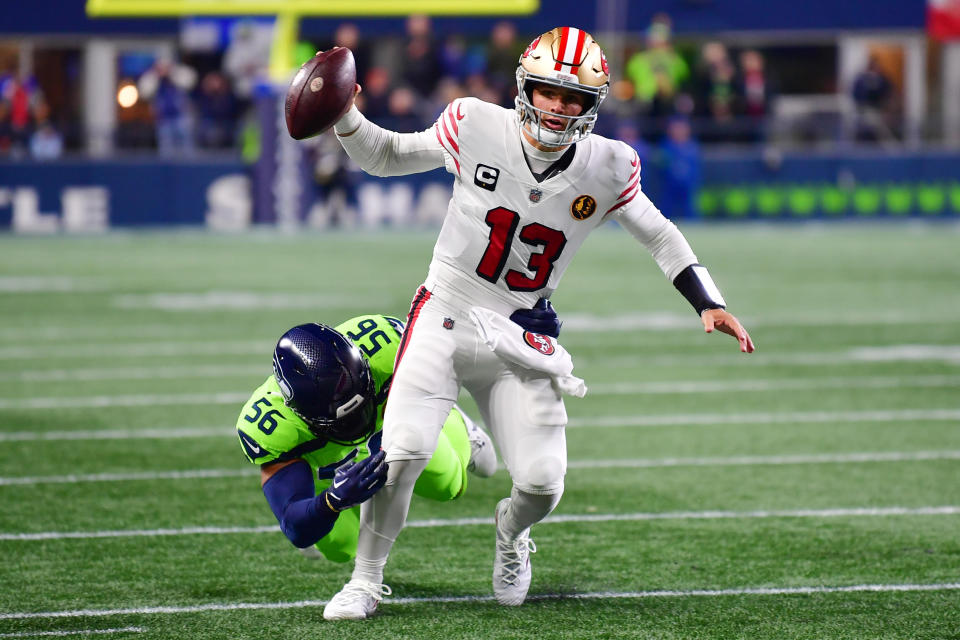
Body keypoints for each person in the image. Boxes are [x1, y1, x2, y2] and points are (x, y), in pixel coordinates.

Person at [323, 26, 755, 620]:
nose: (558, 106)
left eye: (573, 98)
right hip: (446, 308)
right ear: (526, 85)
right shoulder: (474, 123)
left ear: (592, 105)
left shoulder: (610, 165)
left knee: (542, 485)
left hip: (523, 333)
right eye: (550, 91)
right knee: (402, 450)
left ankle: (511, 532)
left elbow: (659, 234)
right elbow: (386, 155)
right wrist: (345, 116)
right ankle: (365, 580)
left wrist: (707, 300)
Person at [235, 315, 497, 564]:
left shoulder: (386, 344)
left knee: (447, 486)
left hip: (394, 420)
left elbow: (447, 373)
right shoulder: (272, 425)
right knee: (341, 548)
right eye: (345, 419)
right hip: (336, 465)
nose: (356, 421)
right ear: (299, 411)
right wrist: (331, 501)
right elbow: (295, 526)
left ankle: (456, 423)